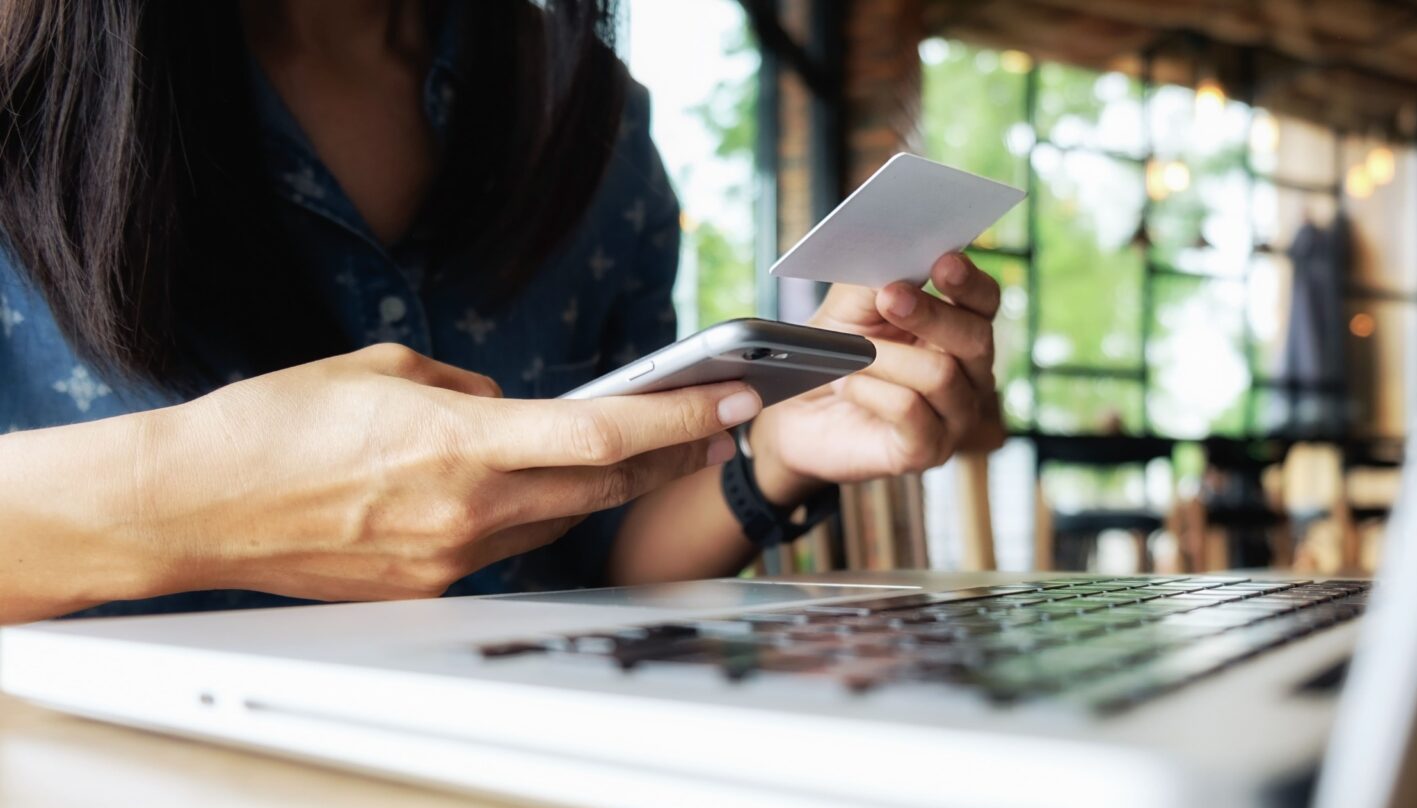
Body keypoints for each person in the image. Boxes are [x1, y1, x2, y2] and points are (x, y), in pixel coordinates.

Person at [0, 0, 999, 626]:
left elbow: (597, 552)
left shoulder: (589, 114)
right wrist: (192, 499)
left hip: (524, 797)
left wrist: (778, 450)